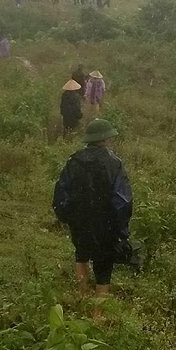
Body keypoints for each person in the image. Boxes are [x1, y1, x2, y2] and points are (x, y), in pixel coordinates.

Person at [52, 118, 133, 307]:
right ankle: (97, 315)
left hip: (79, 220)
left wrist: (66, 216)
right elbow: (122, 200)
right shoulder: (114, 164)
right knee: (104, 266)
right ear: (105, 140)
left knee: (81, 254)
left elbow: (61, 191)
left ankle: (82, 297)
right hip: (106, 223)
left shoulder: (74, 161)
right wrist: (122, 230)